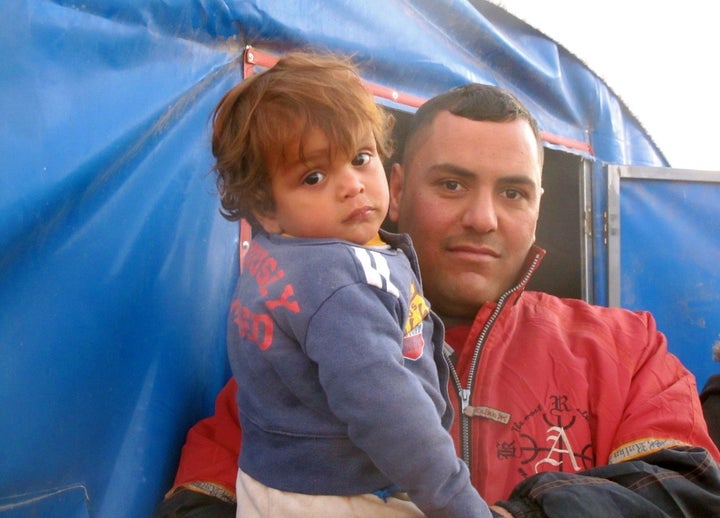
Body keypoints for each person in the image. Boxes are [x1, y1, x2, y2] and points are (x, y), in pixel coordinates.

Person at [155, 83, 720, 517]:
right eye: (451, 184)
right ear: (396, 192)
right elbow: (200, 496)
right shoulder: (298, 351)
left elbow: (689, 488)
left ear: (539, 206)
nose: (482, 219)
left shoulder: (628, 347)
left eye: (513, 192)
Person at [202, 51, 492, 518]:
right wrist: (460, 503)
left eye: (361, 157)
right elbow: (390, 413)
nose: (352, 185)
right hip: (344, 496)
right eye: (314, 176)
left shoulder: (280, 254)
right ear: (266, 207)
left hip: (273, 482)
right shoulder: (341, 288)